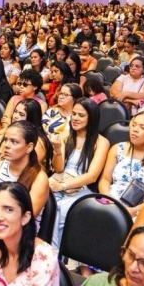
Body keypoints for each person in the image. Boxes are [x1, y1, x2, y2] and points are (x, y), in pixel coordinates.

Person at [49, 98, 109, 248]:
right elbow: (58, 169)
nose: (75, 118)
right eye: (74, 114)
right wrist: (57, 149)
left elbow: (92, 176)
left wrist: (62, 186)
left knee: (62, 210)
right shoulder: (65, 135)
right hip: (60, 179)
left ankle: (55, 254)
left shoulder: (101, 142)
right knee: (45, 204)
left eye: (81, 115)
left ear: (91, 118)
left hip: (83, 186)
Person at [0, 120, 50, 225]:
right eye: (5, 140)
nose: (6, 145)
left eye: (14, 142)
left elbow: (23, 221)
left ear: (29, 147)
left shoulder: (39, 179)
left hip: (21, 234)